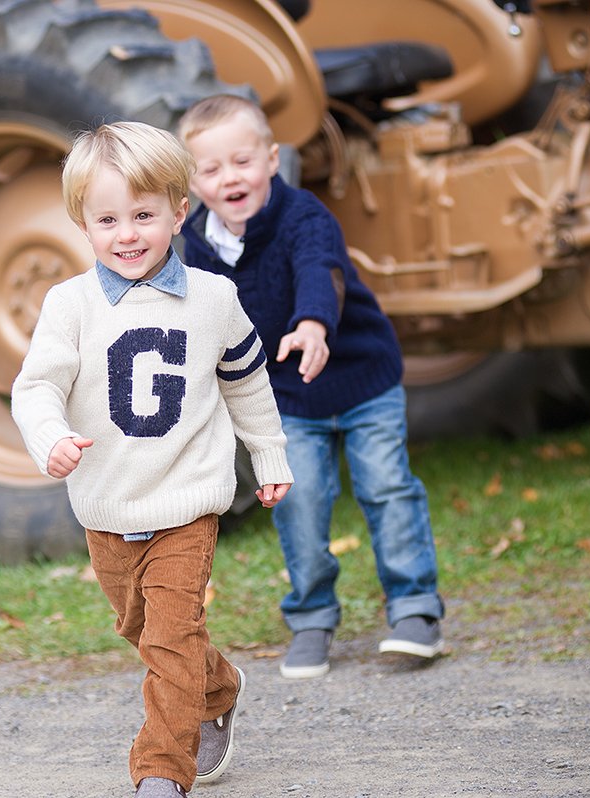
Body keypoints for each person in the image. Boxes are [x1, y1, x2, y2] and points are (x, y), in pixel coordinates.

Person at [11, 120, 294, 797]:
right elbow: (37, 386)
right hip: (106, 504)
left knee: (170, 639)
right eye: (108, 219)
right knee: (144, 629)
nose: (127, 233)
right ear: (82, 221)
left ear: (179, 210)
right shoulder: (69, 305)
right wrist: (49, 436)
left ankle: (161, 771)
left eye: (143, 214)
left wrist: (270, 453)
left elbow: (247, 381)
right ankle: (218, 684)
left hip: (188, 500)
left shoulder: (213, 300)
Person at [178, 94, 445, 679]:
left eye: (243, 161)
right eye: (212, 169)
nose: (230, 179)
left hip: (360, 379)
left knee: (386, 486)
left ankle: (415, 608)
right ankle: (313, 616)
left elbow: (319, 269)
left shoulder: (305, 216)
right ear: (191, 182)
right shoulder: (196, 248)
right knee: (297, 498)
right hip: (288, 398)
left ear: (273, 160)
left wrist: (313, 324)